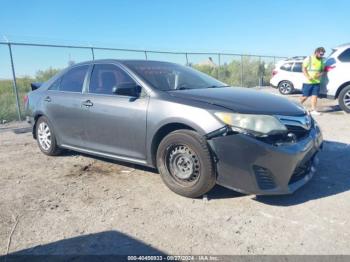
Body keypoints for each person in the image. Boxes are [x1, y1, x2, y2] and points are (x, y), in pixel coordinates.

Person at [300, 47, 326, 115]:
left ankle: (313, 110)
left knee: (315, 96)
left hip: (317, 82)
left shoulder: (321, 61)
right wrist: (308, 77)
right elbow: (303, 68)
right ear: (316, 52)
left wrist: (320, 74)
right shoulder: (309, 59)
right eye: (320, 54)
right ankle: (296, 106)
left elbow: (323, 71)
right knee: (305, 97)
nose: (321, 56)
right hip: (308, 82)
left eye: (322, 54)